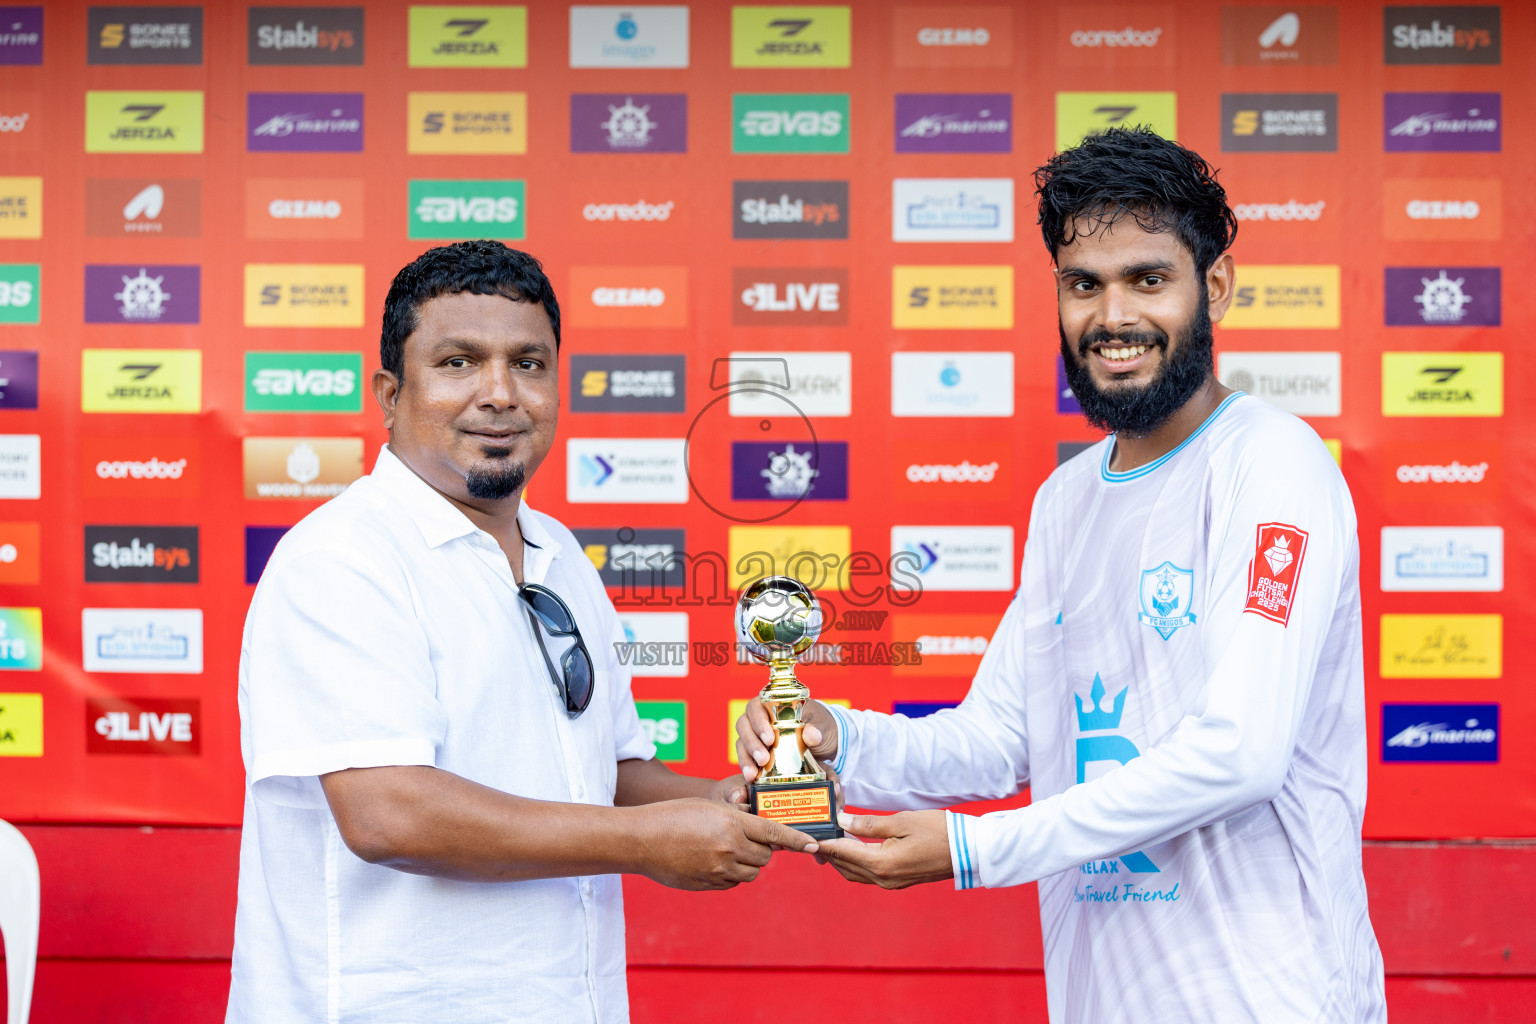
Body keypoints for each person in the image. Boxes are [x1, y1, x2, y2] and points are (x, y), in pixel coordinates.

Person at [736, 128, 1386, 1022]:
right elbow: (1003, 738)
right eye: (1085, 285)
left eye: (1147, 279)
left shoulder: (1273, 463)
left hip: (1263, 997)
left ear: (1217, 287)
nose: (1113, 317)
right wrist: (830, 738)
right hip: (1102, 997)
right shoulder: (1068, 499)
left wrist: (975, 850)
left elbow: (1242, 753)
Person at [229, 241, 815, 1024]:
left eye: (529, 364)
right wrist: (647, 844)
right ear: (389, 394)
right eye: (459, 362)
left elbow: (600, 775)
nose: (500, 394)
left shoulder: (559, 553)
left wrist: (727, 800)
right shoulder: (343, 557)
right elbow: (388, 813)